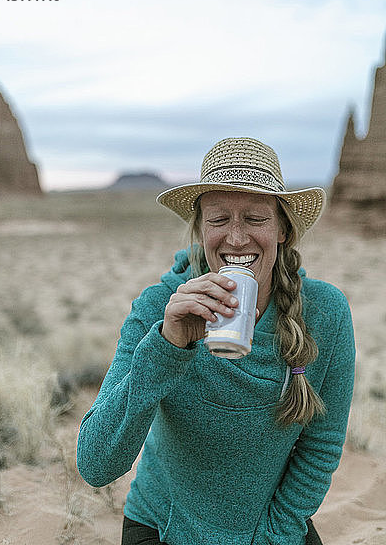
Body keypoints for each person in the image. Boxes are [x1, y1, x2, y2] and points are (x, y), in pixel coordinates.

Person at [77, 137, 355, 545]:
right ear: (200, 228)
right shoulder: (160, 307)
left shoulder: (325, 313)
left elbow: (320, 447)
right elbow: (96, 465)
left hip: (270, 527)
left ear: (282, 230)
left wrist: (273, 535)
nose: (237, 239)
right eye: (219, 219)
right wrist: (168, 346)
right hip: (163, 526)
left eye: (256, 218)